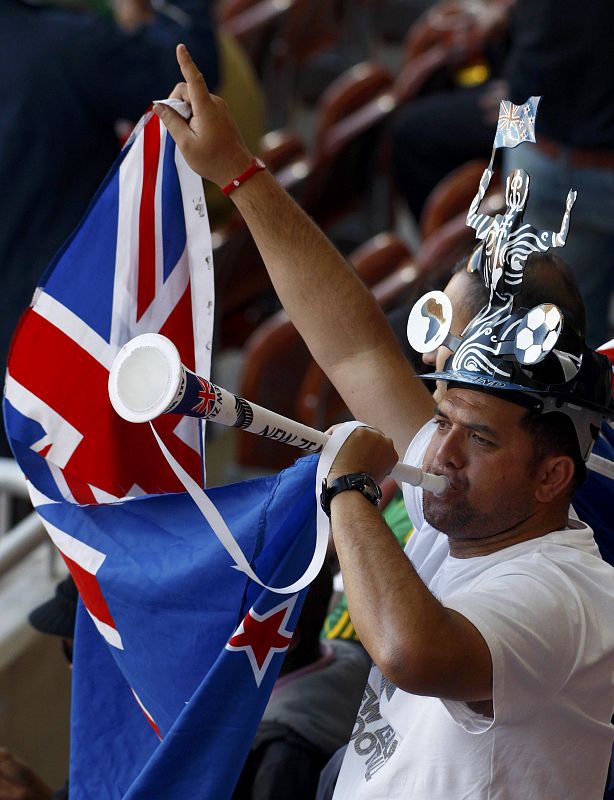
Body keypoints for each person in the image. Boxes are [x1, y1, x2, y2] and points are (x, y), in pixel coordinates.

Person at [154, 46, 614, 798]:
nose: (443, 450)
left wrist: (351, 495)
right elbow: (357, 348)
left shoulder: (568, 593)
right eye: (443, 418)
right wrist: (237, 170)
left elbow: (409, 652)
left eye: (481, 436)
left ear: (552, 476)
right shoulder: (465, 504)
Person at [0, 0, 219, 457]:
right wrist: (149, 13)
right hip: (66, 336)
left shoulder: (63, 41)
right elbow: (191, 89)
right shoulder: (65, 43)